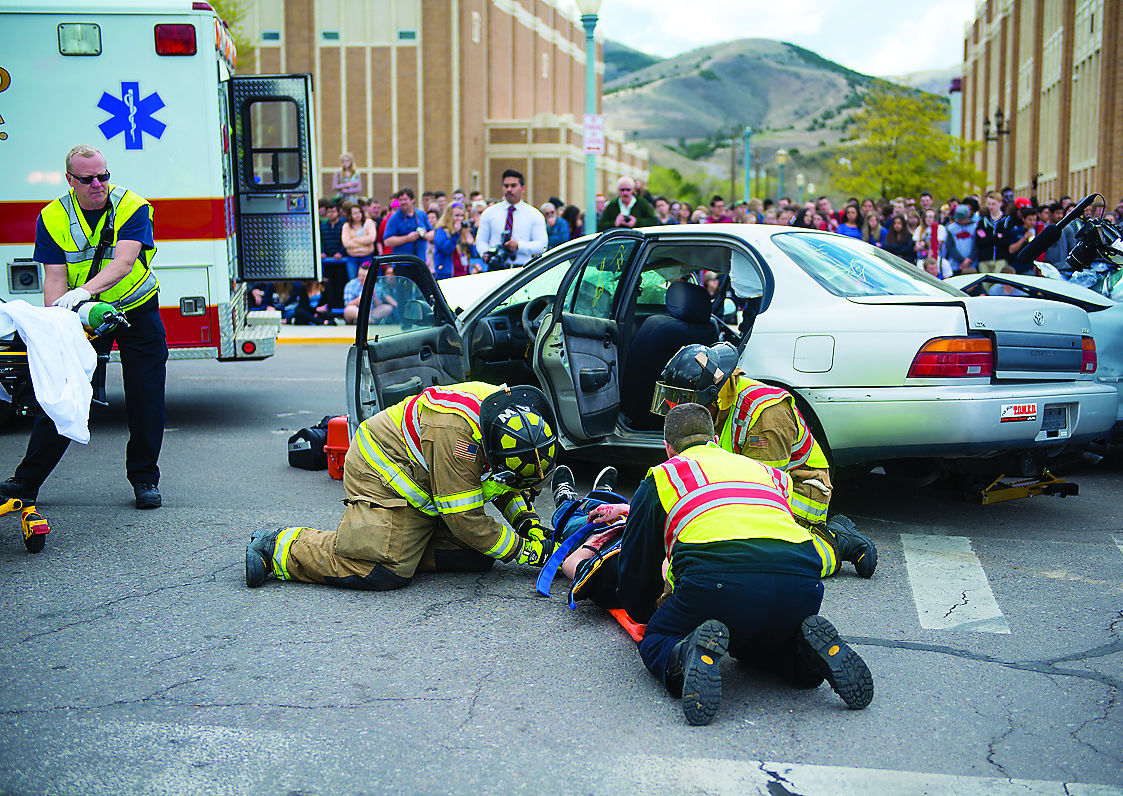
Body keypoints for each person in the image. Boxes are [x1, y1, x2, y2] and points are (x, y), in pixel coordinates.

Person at [615, 403, 874, 725]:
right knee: (756, 647)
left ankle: (685, 652)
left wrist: (644, 613)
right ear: (714, 439)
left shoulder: (664, 475)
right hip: (801, 582)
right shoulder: (766, 473)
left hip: (716, 579)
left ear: (667, 446)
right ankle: (805, 655)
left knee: (657, 639)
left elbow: (638, 563)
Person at [244, 384, 559, 591]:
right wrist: (526, 551)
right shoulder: (456, 438)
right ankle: (280, 547)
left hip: (431, 478)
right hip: (379, 469)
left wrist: (527, 523)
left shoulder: (508, 417)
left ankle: (402, 542)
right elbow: (464, 517)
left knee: (477, 555)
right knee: (383, 570)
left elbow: (503, 486)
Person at [0, 144, 166, 510]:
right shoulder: (53, 217)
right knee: (64, 389)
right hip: (82, 313)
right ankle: (26, 481)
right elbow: (54, 277)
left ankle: (144, 480)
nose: (98, 184)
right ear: (70, 180)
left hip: (136, 308)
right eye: (88, 179)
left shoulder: (132, 206)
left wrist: (82, 293)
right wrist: (54, 322)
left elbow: (124, 263)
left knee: (146, 397)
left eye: (103, 176)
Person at [651, 343, 876, 577]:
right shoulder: (715, 409)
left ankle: (835, 542)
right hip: (740, 485)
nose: (678, 411)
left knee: (761, 566)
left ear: (714, 397)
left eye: (686, 401)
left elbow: (764, 497)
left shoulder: (766, 415)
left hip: (796, 491)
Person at [476, 169, 548, 268]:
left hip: (522, 269)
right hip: (495, 268)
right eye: (506, 186)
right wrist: (485, 253)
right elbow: (481, 240)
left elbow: (542, 245)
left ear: (523, 188)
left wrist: (518, 246)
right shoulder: (489, 213)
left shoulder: (534, 215)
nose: (509, 189)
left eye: (513, 186)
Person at [382, 188, 432, 261]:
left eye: (405, 199)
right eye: (400, 200)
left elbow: (432, 233)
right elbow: (387, 241)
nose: (403, 202)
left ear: (413, 200)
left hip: (421, 262)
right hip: (402, 263)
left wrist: (425, 235)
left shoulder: (421, 215)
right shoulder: (394, 218)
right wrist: (407, 238)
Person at [433, 203, 479, 279]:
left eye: (462, 216)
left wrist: (471, 245)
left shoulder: (464, 231)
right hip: (447, 275)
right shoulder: (441, 231)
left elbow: (474, 254)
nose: (460, 219)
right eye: (457, 215)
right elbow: (446, 249)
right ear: (449, 216)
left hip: (464, 274)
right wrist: (455, 235)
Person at [945, 204, 979, 275]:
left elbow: (977, 245)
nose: (960, 220)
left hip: (972, 265)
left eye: (962, 218)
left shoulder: (975, 227)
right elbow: (950, 247)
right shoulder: (951, 228)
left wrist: (969, 260)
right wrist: (962, 260)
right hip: (956, 265)